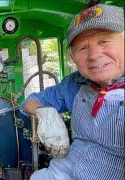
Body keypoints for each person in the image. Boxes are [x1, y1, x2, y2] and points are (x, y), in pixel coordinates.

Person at [20, 4, 124, 180]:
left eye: (104, 41)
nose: (93, 55)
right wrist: (44, 112)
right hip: (60, 173)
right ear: (72, 56)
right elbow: (30, 101)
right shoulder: (74, 84)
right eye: (82, 48)